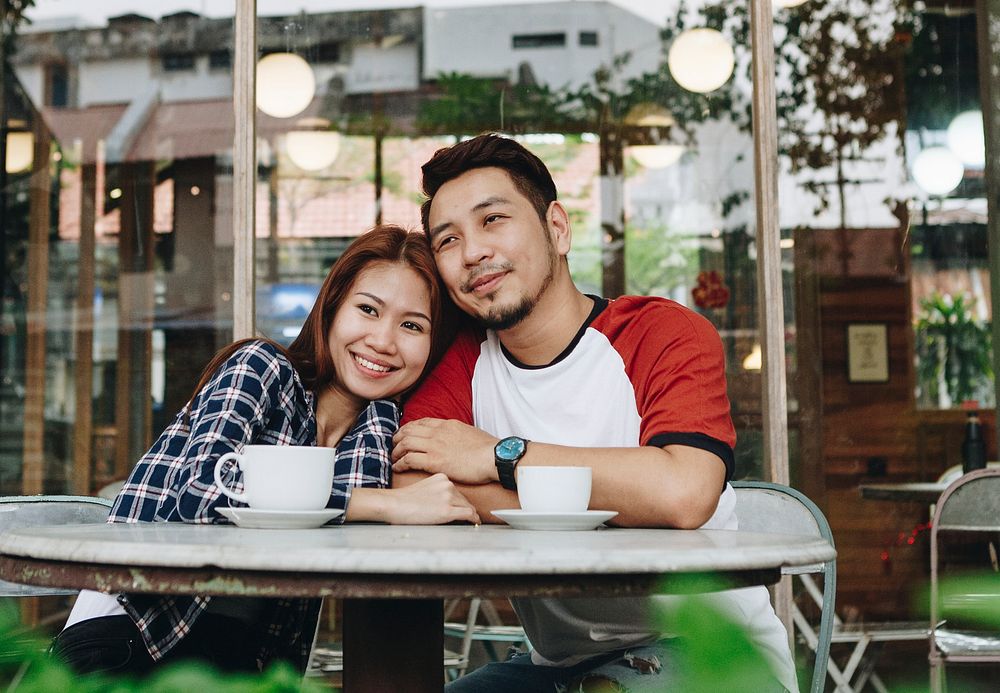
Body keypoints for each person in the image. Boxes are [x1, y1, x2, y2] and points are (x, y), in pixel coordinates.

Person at [390, 135, 798, 692]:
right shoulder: (461, 359)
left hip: (710, 653)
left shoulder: (659, 334)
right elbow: (415, 480)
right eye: (448, 240)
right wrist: (621, 495)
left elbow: (683, 493)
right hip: (556, 665)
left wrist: (496, 456)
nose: (473, 252)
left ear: (557, 228)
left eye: (493, 220)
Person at [51, 224, 478, 677]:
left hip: (240, 662)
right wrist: (385, 504)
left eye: (412, 325)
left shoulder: (378, 429)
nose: (383, 341)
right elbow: (201, 497)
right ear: (331, 310)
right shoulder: (261, 367)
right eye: (368, 310)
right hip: (131, 638)